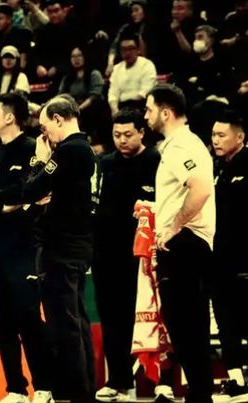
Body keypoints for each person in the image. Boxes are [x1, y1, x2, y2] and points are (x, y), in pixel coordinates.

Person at [0, 95, 99, 403]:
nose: (44, 133)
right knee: (76, 320)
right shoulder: (85, 150)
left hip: (61, 248)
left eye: (45, 125)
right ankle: (84, 390)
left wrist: (39, 161)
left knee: (65, 325)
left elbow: (31, 188)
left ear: (59, 119)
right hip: (76, 245)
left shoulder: (69, 151)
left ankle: (75, 393)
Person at [144, 84, 215, 402]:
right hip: (189, 242)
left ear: (165, 112)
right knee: (188, 326)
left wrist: (172, 227)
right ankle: (200, 395)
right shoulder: (183, 144)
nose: (146, 116)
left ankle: (200, 395)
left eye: (149, 110)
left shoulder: (180, 146)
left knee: (185, 326)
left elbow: (201, 188)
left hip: (185, 244)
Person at [0, 92, 55, 403]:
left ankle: (44, 387)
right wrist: (6, 200)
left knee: (29, 319)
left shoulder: (31, 150)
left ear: (10, 116)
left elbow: (31, 191)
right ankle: (15, 388)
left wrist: (7, 198)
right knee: (1, 325)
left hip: (26, 247)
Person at [92, 108, 164, 402]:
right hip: (107, 255)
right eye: (117, 135)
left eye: (128, 134)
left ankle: (160, 382)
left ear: (142, 132)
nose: (122, 140)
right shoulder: (104, 164)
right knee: (112, 318)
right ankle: (119, 381)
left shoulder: (156, 161)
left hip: (144, 256)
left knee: (153, 317)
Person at [210, 109, 248, 400]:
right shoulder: (216, 169)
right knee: (226, 322)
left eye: (222, 135)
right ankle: (236, 379)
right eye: (213, 134)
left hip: (244, 260)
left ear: (240, 137)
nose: (216, 140)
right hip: (219, 261)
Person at [108, 33, 157, 117]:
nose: (127, 53)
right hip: (121, 107)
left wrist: (128, 111)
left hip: (141, 106)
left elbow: (145, 92)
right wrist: (115, 110)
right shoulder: (117, 68)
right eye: (124, 49)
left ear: (138, 49)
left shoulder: (147, 65)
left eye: (131, 48)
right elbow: (113, 94)